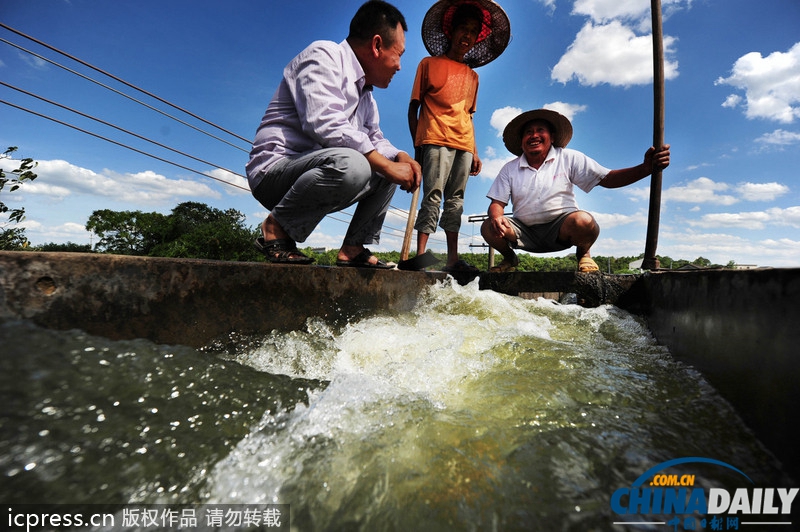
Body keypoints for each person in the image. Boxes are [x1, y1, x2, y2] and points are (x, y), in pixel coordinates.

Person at [246, 0, 421, 268]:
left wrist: (399, 156)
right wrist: (385, 164)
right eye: (399, 54)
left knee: (386, 165)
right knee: (357, 163)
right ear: (376, 45)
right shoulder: (323, 55)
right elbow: (323, 122)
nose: (399, 67)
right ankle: (275, 228)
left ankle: (353, 248)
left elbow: (374, 137)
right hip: (275, 173)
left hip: (315, 171)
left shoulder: (366, 96)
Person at [481, 108, 671, 272]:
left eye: (540, 130)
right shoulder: (510, 168)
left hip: (562, 230)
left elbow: (607, 178)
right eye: (528, 132)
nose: (534, 135)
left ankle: (583, 255)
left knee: (583, 220)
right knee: (489, 226)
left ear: (552, 137)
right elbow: (497, 202)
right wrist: (497, 216)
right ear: (522, 141)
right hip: (524, 232)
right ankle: (509, 258)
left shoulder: (569, 158)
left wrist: (645, 168)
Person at [406, 0, 510, 272]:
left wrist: (474, 150)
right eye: (463, 28)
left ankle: (452, 259)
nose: (468, 36)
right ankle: (421, 254)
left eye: (474, 31)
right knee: (433, 195)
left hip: (463, 143)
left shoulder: (473, 76)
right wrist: (418, 143)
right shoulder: (428, 64)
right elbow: (414, 106)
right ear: (451, 32)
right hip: (434, 138)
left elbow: (469, 115)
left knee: (456, 200)